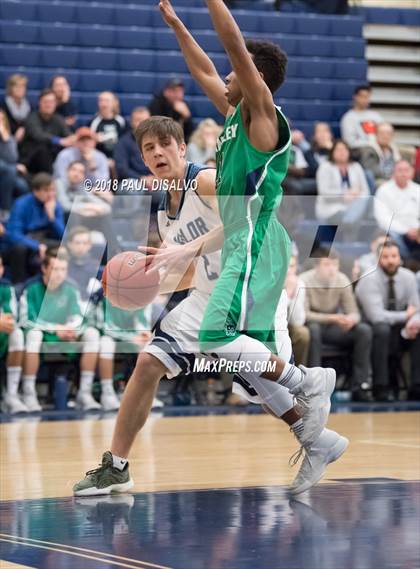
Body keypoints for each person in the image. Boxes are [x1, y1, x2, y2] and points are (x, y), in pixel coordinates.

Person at [148, 1, 347, 494]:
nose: (224, 80)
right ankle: (317, 437)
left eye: (236, 73)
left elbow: (233, 46)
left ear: (251, 75)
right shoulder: (236, 114)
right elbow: (204, 69)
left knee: (218, 340)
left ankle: (308, 380)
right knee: (247, 371)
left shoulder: (263, 116)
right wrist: (176, 26)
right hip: (243, 241)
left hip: (256, 240)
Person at [73, 116, 329, 497]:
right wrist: (149, 286)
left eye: (164, 144)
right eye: (149, 148)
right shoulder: (163, 211)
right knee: (148, 364)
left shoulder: (204, 181)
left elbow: (248, 216)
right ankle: (118, 467)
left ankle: (313, 409)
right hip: (210, 294)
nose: (157, 152)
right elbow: (197, 270)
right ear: (143, 159)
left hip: (254, 287)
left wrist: (186, 250)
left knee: (263, 385)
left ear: (181, 148)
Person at [19, 247, 101, 411]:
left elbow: (79, 317)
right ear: (44, 269)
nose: (59, 274)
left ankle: (84, 393)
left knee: (92, 333)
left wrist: (71, 329)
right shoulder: (31, 289)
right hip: (43, 336)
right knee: (33, 335)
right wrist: (55, 329)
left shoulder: (71, 289)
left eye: (63, 269)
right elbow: (26, 320)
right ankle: (28, 393)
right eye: (55, 269)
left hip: (65, 336)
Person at [301, 251, 373, 402]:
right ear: (317, 267)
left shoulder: (342, 279)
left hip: (333, 327)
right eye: (327, 264)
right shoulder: (304, 280)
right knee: (312, 330)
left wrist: (351, 320)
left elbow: (354, 312)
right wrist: (332, 318)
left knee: (363, 331)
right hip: (313, 325)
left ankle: (360, 385)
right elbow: (305, 314)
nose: (332, 268)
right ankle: (316, 387)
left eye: (335, 264)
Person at [356, 240, 420, 401]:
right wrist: (406, 316)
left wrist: (414, 321)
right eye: (385, 257)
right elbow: (376, 316)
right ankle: (381, 387)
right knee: (382, 329)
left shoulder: (409, 277)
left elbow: (416, 308)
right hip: (374, 330)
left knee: (418, 329)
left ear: (400, 258)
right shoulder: (368, 279)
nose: (391, 261)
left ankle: (416, 387)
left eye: (394, 256)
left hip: (400, 329)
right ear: (378, 259)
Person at [5, 173, 65, 283]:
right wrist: (37, 246)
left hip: (44, 238)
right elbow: (13, 234)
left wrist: (52, 217)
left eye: (53, 190)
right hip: (26, 239)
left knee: (66, 245)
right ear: (36, 191)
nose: (51, 194)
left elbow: (62, 235)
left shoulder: (55, 204)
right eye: (46, 190)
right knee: (19, 248)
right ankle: (18, 283)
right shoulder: (21, 204)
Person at [316, 139, 370, 234]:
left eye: (344, 149)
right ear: (332, 152)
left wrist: (355, 195)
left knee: (364, 203)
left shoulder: (356, 166)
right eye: (338, 150)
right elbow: (323, 192)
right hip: (332, 209)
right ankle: (349, 225)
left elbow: (366, 191)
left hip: (355, 206)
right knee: (352, 218)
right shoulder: (325, 167)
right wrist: (343, 195)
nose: (342, 152)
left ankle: (349, 222)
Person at [19, 90, 76, 175]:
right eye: (46, 102)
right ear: (39, 103)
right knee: (43, 148)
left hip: (52, 159)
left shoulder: (58, 119)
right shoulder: (31, 118)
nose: (49, 105)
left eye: (52, 102)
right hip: (31, 162)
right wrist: (59, 141)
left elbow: (67, 134)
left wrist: (74, 139)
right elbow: (38, 135)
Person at [374, 160, 420, 264]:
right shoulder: (383, 190)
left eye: (406, 170)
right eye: (400, 170)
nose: (403, 173)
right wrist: (405, 230)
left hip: (415, 229)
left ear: (412, 172)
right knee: (392, 235)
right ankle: (404, 262)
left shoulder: (418, 190)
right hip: (394, 229)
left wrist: (417, 230)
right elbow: (382, 219)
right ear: (393, 172)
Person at [0, 254, 26, 414]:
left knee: (17, 334)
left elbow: (10, 318)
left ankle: (11, 394)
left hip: (2, 334)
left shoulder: (5, 287)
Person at [281, 255, 310, 366]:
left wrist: (294, 294)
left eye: (292, 266)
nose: (288, 270)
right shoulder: (271, 281)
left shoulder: (299, 284)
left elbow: (298, 321)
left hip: (288, 325)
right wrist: (288, 293)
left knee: (302, 333)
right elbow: (270, 316)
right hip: (269, 325)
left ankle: (297, 372)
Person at [0, 109, 29, 217]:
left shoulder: (8, 138)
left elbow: (13, 157)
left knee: (22, 186)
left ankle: (20, 214)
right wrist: (14, 166)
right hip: (6, 169)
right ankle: (5, 210)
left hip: (7, 172)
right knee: (10, 169)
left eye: (1, 119)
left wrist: (5, 138)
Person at [340, 85, 384, 152]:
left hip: (380, 149)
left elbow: (385, 133)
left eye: (367, 97)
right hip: (361, 152)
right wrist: (371, 144)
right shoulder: (348, 118)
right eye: (363, 96)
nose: (365, 100)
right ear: (355, 97)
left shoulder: (376, 116)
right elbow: (349, 142)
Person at [149, 77, 194, 142]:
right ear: (165, 92)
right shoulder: (156, 104)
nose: (177, 94)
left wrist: (187, 117)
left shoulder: (184, 105)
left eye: (180, 91)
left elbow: (190, 133)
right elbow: (155, 127)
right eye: (174, 91)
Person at [65, 226, 101, 305]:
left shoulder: (95, 266)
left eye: (85, 243)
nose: (81, 247)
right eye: (77, 243)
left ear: (90, 245)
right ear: (69, 244)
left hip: (88, 304)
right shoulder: (62, 265)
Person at [114, 107, 151, 181]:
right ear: (131, 122)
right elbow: (121, 169)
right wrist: (141, 178)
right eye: (138, 120)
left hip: (153, 179)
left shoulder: (158, 142)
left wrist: (155, 178)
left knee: (163, 187)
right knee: (133, 188)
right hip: (130, 180)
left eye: (145, 120)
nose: (141, 123)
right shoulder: (123, 142)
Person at [360, 122, 401, 187]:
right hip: (378, 181)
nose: (385, 136)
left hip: (394, 180)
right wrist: (393, 178)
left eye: (388, 134)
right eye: (382, 133)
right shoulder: (369, 150)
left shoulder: (394, 150)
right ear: (376, 135)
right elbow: (372, 171)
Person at [89, 92, 126, 160]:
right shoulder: (93, 122)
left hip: (118, 159)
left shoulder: (121, 121)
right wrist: (94, 139)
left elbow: (125, 142)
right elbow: (87, 143)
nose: (104, 104)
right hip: (99, 159)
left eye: (107, 101)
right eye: (101, 101)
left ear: (115, 103)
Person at [0, 74, 31, 142]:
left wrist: (23, 129)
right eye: (17, 86)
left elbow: (30, 123)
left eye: (23, 86)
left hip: (25, 139)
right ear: (10, 88)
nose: (20, 89)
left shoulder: (29, 106)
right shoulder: (3, 106)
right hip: (7, 139)